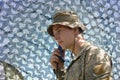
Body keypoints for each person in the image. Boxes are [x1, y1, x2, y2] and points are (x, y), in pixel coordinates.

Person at [47, 10, 112, 80]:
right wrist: (60, 69)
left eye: (59, 31)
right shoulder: (75, 63)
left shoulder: (94, 55)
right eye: (54, 34)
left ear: (75, 30)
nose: (56, 38)